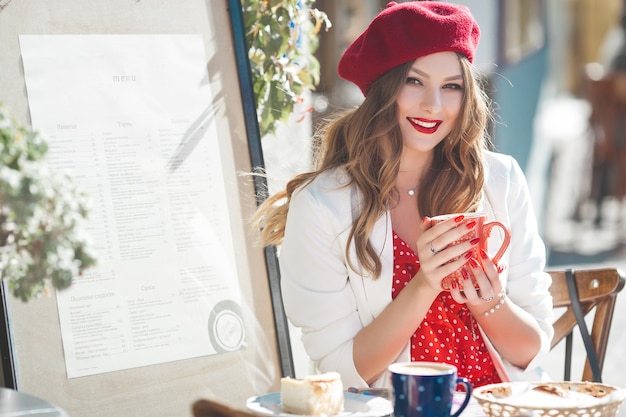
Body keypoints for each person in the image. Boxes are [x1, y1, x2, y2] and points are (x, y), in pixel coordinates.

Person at [253, 1, 554, 389]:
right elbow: (343, 371)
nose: (434, 105)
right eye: (414, 81)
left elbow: (531, 351)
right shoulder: (322, 204)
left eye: (452, 87)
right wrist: (426, 283)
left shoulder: (501, 179)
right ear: (382, 89)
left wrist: (488, 303)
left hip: (497, 405)